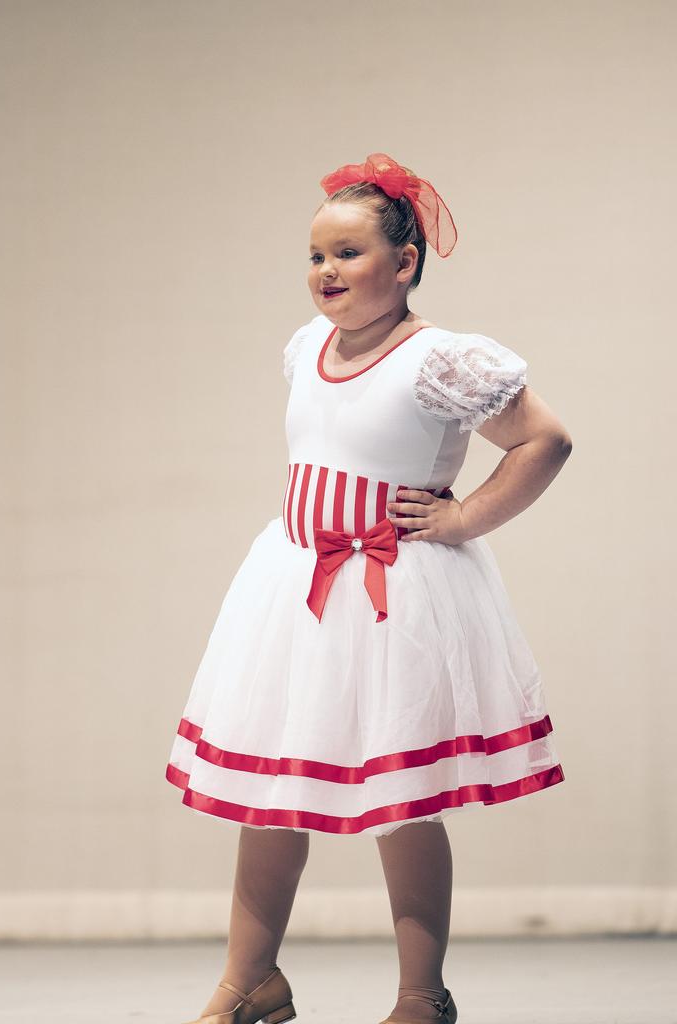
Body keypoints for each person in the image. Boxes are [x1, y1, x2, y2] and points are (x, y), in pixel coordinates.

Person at [166, 152, 572, 1024]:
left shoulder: (439, 359)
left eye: (348, 254)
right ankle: (251, 981)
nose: (326, 273)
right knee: (274, 792)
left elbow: (544, 439)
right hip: (297, 585)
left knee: (402, 799)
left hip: (395, 596)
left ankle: (421, 997)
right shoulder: (307, 346)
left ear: (405, 262)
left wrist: (464, 520)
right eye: (315, 257)